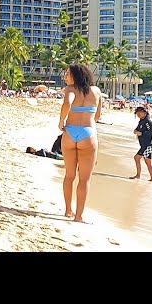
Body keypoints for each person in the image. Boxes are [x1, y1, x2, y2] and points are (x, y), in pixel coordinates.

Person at [58, 64, 102, 223]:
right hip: (88, 134)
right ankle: (79, 216)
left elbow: (67, 104)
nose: (65, 77)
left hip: (69, 133)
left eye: (68, 74)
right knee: (84, 179)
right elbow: (97, 116)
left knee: (69, 175)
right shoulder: (96, 91)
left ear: (76, 75)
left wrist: (61, 121)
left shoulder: (69, 90)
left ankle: (68, 210)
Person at [130, 106, 152, 181]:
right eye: (137, 113)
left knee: (137, 158)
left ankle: (138, 175)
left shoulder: (147, 121)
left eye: (140, 113)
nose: (138, 114)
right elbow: (138, 128)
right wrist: (136, 130)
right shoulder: (141, 121)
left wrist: (142, 133)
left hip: (147, 145)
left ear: (144, 113)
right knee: (147, 161)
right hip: (144, 145)